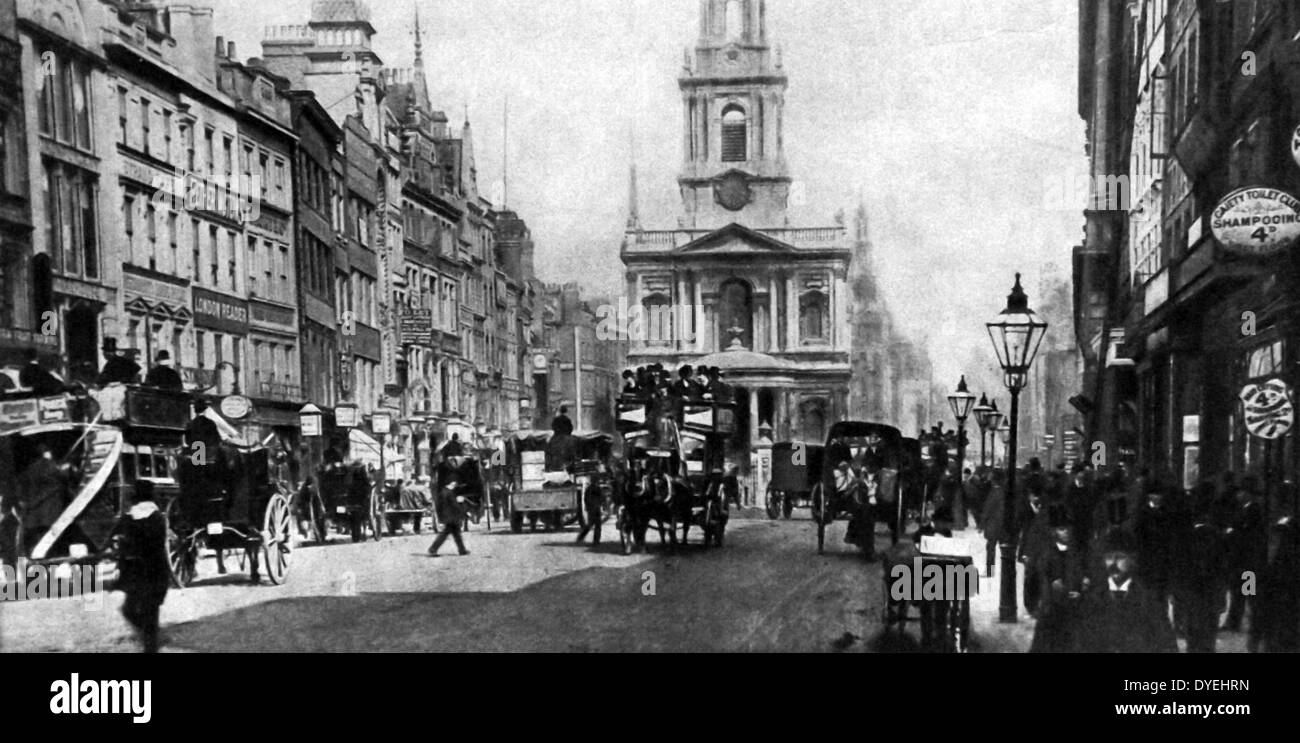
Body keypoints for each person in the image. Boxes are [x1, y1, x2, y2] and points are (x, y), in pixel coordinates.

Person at [1078, 527, 1178, 653]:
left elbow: (1167, 645)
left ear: (1132, 559)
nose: (1113, 563)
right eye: (1109, 557)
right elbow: (1082, 644)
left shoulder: (1148, 599)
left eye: (1120, 557)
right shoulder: (1093, 599)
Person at [111, 478, 170, 653]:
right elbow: (157, 544)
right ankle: (151, 639)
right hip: (153, 570)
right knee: (149, 612)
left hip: (136, 571)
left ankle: (150, 641)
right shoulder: (157, 517)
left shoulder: (129, 518)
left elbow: (120, 541)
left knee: (130, 609)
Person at [1029, 507, 1090, 653]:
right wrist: (1052, 588)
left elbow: (1083, 576)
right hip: (1052, 611)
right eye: (1062, 529)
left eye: (1068, 528)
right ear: (1053, 532)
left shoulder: (1076, 552)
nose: (1067, 532)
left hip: (1073, 610)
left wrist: (1082, 590)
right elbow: (1039, 579)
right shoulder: (1047, 553)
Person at [1177, 510, 1226, 653]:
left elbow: (1179, 565)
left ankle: (1193, 648)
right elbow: (1224, 565)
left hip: (1192, 588)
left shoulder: (1185, 537)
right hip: (1212, 588)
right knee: (1210, 624)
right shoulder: (1218, 537)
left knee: (1192, 623)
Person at [1250, 517, 1300, 653]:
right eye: (1279, 533)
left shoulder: (1292, 559)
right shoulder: (1268, 554)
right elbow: (1250, 574)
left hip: (1289, 616)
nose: (1281, 538)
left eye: (1286, 534)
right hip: (1271, 613)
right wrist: (1250, 595)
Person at [1223, 477, 1265, 632]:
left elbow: (1245, 534)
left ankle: (1249, 622)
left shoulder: (1252, 511)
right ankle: (1237, 622)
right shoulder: (1248, 509)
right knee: (1241, 592)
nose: (1238, 495)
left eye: (1241, 492)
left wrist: (1232, 533)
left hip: (1247, 559)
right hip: (1244, 559)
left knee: (1247, 592)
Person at [16, 444, 70, 557]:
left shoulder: (29, 469)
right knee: (49, 548)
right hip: (48, 516)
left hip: (35, 518)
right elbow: (56, 483)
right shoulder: (48, 466)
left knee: (37, 547)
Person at [428, 456, 470, 557]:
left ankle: (462, 549)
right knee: (446, 534)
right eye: (455, 482)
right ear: (453, 482)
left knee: (456, 534)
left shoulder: (444, 491)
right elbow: (453, 505)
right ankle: (433, 548)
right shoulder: (448, 493)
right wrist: (462, 507)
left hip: (449, 516)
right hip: (451, 517)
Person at [574, 477, 604, 546]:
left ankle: (581, 537)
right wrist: (600, 506)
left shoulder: (589, 489)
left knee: (589, 525)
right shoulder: (598, 489)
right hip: (596, 509)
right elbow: (602, 498)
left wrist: (587, 507)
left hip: (591, 509)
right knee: (597, 526)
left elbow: (586, 499)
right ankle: (596, 541)